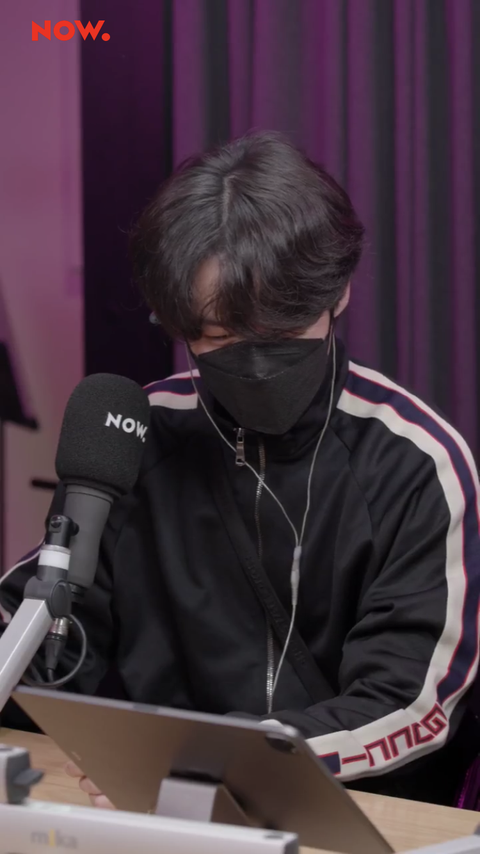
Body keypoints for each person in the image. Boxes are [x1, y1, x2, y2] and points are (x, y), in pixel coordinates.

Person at [1, 132, 479, 809]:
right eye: (220, 337)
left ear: (338, 292)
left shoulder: (417, 461)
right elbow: (46, 636)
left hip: (353, 813)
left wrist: (222, 768)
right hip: (151, 816)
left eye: (280, 334)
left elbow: (412, 703)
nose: (253, 363)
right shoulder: (136, 436)